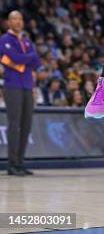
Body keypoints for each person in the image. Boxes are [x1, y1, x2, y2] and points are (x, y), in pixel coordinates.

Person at [0, 11, 41, 176]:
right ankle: (12, 164)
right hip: (12, 85)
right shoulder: (4, 40)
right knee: (14, 124)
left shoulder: (26, 40)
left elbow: (37, 62)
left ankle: (21, 162)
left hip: (27, 86)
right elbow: (15, 58)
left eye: (20, 19)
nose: (18, 21)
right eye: (14, 19)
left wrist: (26, 58)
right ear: (8, 22)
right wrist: (28, 57)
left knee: (26, 125)